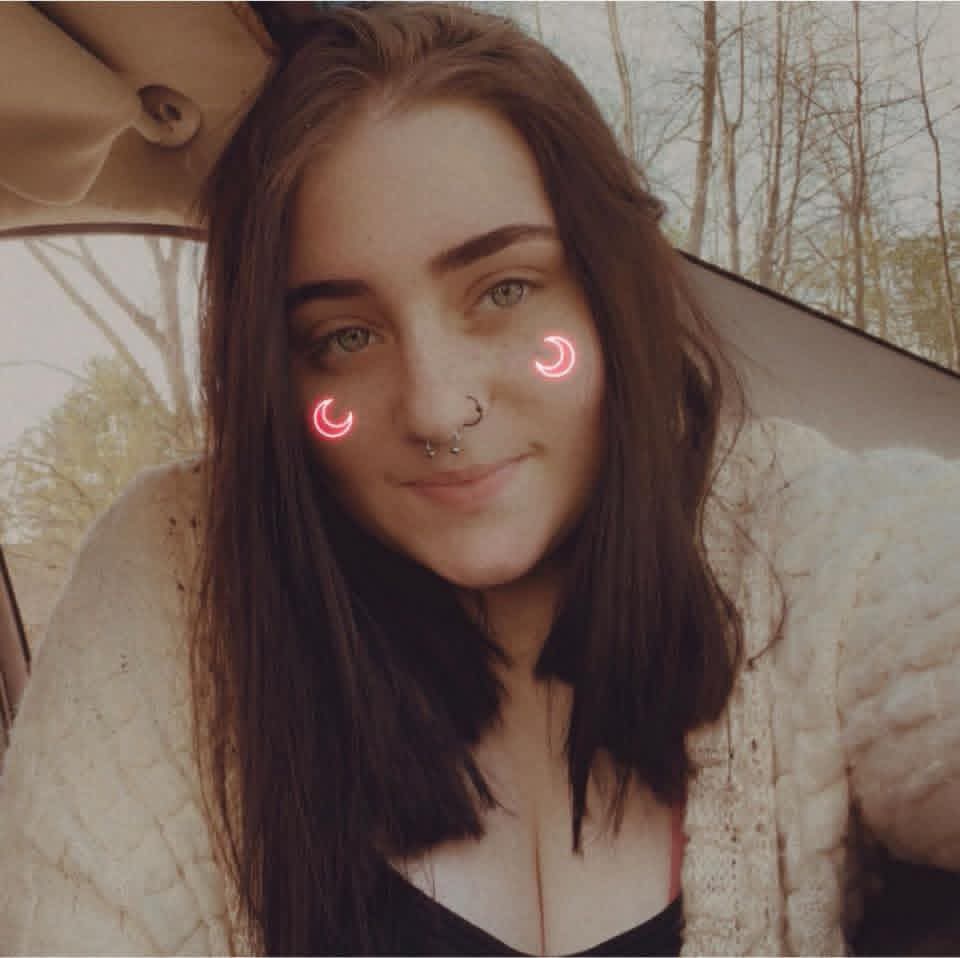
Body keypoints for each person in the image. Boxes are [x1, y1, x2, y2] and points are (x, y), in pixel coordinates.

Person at [1, 3, 959, 955]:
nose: (435, 407)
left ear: (610, 293)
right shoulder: (178, 584)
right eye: (344, 337)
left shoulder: (800, 534)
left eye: (504, 290)